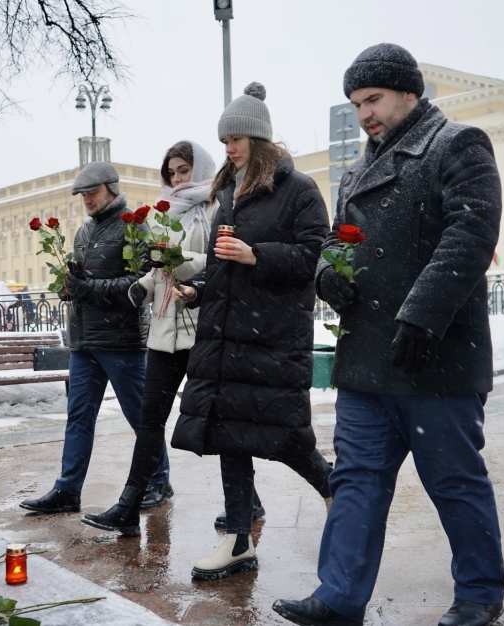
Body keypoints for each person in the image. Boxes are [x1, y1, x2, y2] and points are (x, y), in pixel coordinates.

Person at [273, 44, 504, 626]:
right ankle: (338, 596)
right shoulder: (357, 170)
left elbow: (471, 234)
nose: (364, 114)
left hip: (434, 354)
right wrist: (328, 273)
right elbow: (335, 238)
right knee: (356, 479)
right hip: (367, 358)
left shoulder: (458, 144)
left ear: (409, 91)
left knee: (453, 480)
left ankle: (480, 591)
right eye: (356, 104)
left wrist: (423, 314)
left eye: (373, 99)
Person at [171, 82, 333, 581]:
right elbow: (223, 263)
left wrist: (256, 254)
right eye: (225, 141)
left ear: (259, 139)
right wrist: (199, 290)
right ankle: (239, 541)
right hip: (226, 338)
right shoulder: (229, 191)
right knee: (230, 438)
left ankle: (338, 494)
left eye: (237, 139)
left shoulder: (298, 189)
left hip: (270, 337)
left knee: (288, 438)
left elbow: (315, 256)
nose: (230, 148)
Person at [81, 140, 232, 535]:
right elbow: (159, 269)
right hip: (165, 332)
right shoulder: (166, 213)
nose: (178, 179)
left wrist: (173, 261)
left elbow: (219, 264)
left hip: (203, 329)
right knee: (150, 421)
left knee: (220, 418)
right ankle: (128, 508)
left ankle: (246, 501)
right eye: (172, 173)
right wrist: (142, 287)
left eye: (184, 170)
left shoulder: (218, 208)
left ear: (202, 168)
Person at [19, 161, 171, 514]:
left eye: (93, 192)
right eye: (83, 195)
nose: (87, 199)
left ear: (112, 189)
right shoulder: (84, 232)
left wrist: (89, 288)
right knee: (78, 418)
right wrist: (71, 287)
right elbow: (89, 283)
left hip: (122, 342)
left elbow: (140, 286)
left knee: (140, 417)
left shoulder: (134, 228)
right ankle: (67, 489)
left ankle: (159, 481)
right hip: (84, 342)